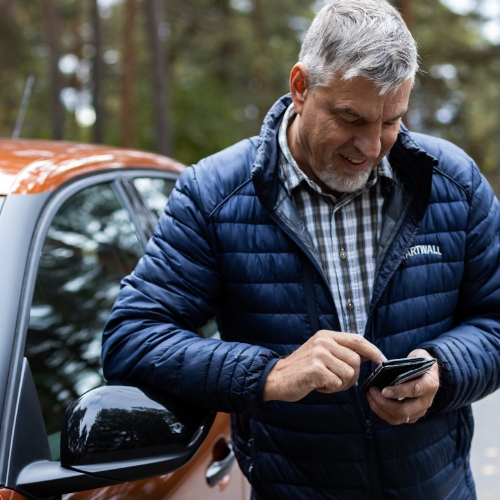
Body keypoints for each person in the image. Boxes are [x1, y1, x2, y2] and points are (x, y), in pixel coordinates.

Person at [102, 0, 500, 498]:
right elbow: (131, 339)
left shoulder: (454, 183)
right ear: (300, 87)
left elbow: (494, 319)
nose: (372, 147)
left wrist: (446, 370)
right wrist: (270, 373)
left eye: (391, 121)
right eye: (351, 119)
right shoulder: (213, 195)